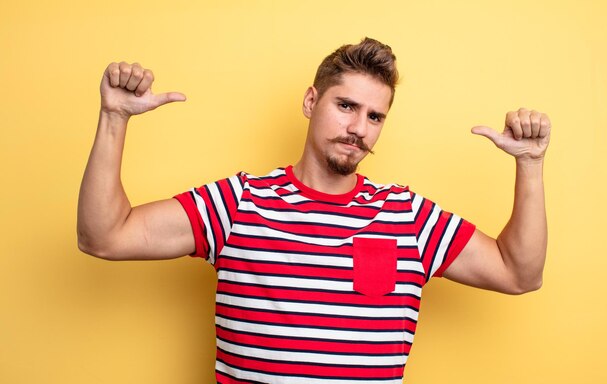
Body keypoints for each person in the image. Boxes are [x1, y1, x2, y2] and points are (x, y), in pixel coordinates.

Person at [78, 37, 550, 384]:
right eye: (346, 105)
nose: (358, 128)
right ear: (311, 101)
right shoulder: (237, 203)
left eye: (375, 116)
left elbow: (519, 272)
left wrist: (529, 165)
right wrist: (114, 118)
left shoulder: (410, 217)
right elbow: (104, 236)